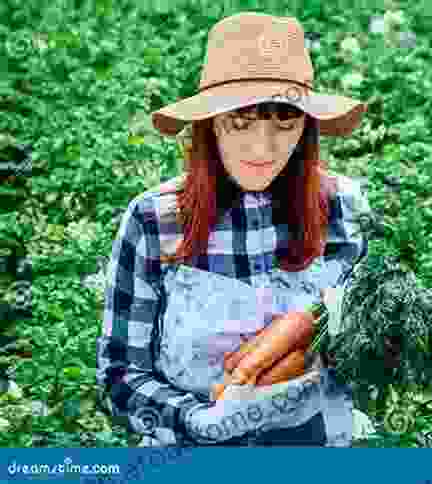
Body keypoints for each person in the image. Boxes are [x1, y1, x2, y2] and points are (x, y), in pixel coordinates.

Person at [96, 12, 373, 447]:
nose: (262, 148)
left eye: (285, 124)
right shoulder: (153, 219)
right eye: (239, 123)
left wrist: (313, 335)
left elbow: (368, 343)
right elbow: (120, 375)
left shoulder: (345, 207)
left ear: (307, 128)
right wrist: (202, 421)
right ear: (209, 124)